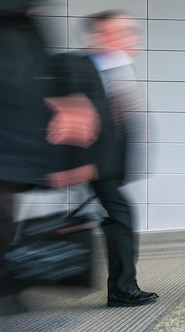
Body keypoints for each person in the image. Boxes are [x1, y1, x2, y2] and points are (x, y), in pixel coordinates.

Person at [49, 10, 157, 307]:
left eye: (130, 31)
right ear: (97, 36)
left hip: (107, 166)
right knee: (120, 218)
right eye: (120, 31)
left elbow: (124, 117)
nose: (130, 37)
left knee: (117, 218)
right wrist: (75, 164)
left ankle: (122, 287)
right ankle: (122, 289)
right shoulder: (75, 66)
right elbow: (65, 114)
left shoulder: (120, 68)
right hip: (90, 164)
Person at [0, 0, 56, 314]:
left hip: (14, 150)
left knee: (7, 220)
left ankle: (6, 292)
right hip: (9, 147)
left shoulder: (26, 26)